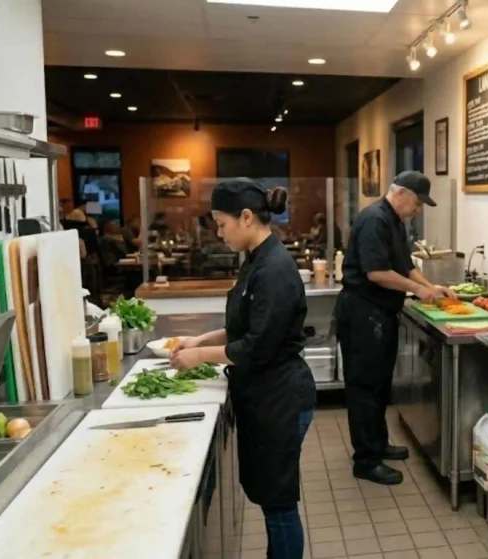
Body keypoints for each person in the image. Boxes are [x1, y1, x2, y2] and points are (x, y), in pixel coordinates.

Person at [170, 179, 316, 559]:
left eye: (222, 224)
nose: (219, 233)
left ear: (247, 217)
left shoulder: (274, 269)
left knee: (278, 502)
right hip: (265, 395)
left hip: (282, 397)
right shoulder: (256, 260)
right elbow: (245, 326)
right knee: (270, 494)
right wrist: (200, 341)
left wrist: (201, 358)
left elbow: (257, 346)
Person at [334, 170, 456, 485]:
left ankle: (378, 444)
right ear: (400, 193)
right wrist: (417, 291)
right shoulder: (375, 219)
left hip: (380, 315)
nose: (418, 210)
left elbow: (403, 266)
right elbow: (376, 273)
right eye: (417, 203)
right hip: (363, 315)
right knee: (364, 388)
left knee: (379, 385)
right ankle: (366, 460)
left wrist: (432, 287)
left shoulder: (394, 221)